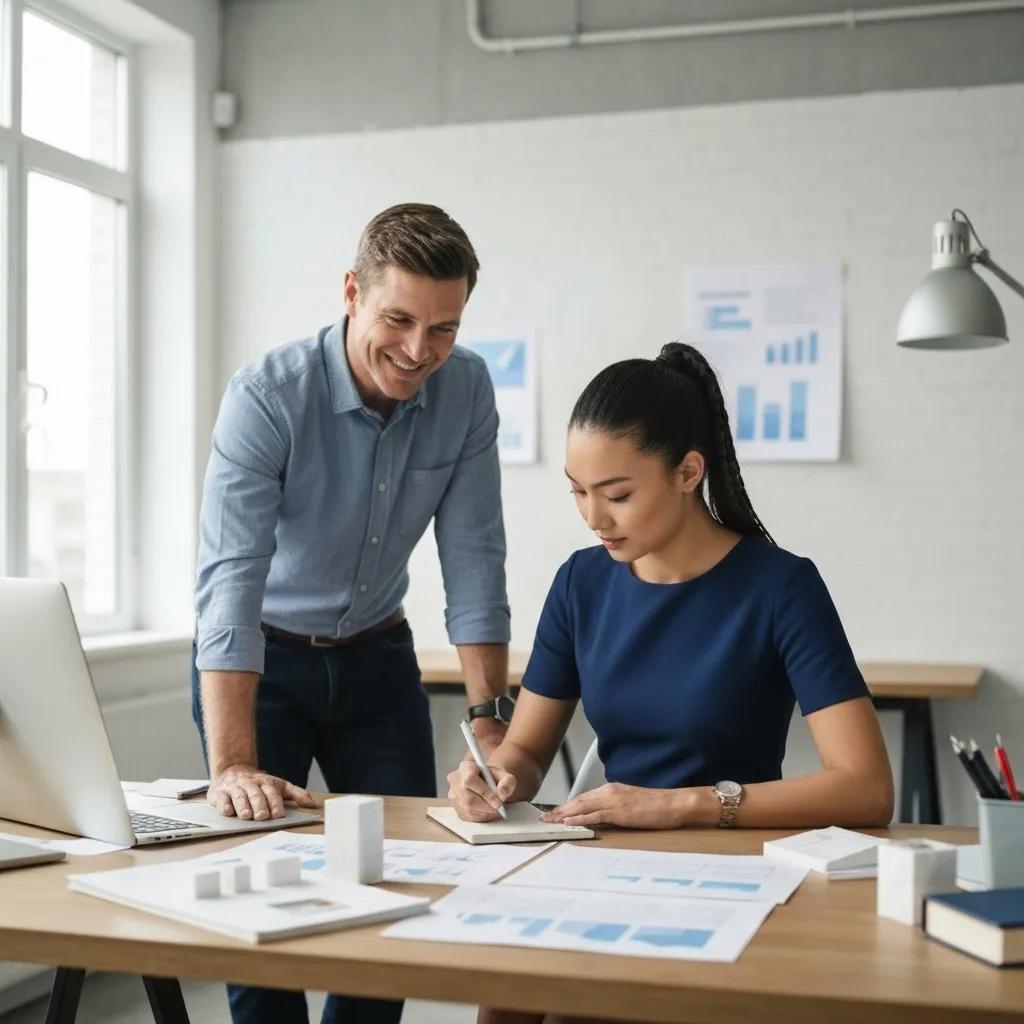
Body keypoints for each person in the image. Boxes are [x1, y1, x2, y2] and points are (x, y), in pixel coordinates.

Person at [448, 341, 894, 1024]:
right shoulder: (581, 582)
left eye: (618, 495)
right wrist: (493, 774)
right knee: (506, 993)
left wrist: (681, 805)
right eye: (578, 492)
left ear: (688, 472)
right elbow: (530, 752)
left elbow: (866, 788)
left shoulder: (780, 587)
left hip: (732, 874)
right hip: (602, 864)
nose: (594, 518)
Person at [193, 203, 513, 1024]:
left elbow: (474, 555)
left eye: (442, 328)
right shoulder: (267, 397)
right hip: (264, 660)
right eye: (399, 319)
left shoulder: (467, 387)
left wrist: (490, 718)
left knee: (398, 884)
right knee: (260, 888)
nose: (418, 352)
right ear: (351, 293)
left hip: (377, 659)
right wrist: (231, 766)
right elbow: (231, 580)